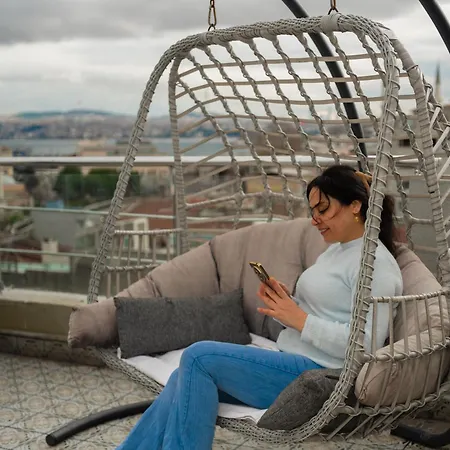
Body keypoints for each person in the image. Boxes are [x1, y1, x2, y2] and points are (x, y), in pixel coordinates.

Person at [117, 164, 403, 450]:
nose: (315, 219)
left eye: (323, 208)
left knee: (198, 356)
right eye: (313, 210)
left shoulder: (375, 264)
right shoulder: (337, 250)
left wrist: (300, 319)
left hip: (320, 373)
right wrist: (286, 305)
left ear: (355, 206)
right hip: (290, 360)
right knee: (182, 378)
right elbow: (320, 314)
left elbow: (364, 346)